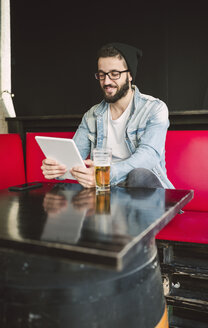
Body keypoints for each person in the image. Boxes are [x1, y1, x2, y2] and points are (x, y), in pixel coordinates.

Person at [41, 42, 174, 189]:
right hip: (106, 195)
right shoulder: (92, 115)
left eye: (114, 74)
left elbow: (148, 157)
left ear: (130, 75)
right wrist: (57, 169)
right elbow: (73, 161)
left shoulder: (154, 108)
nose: (107, 82)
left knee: (138, 175)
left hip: (149, 197)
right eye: (102, 75)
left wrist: (104, 174)